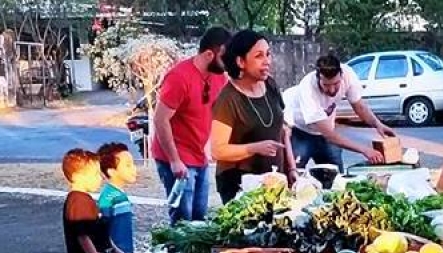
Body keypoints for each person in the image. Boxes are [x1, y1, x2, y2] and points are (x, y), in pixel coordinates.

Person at [151, 26, 230, 222]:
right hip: (175, 156)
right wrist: (174, 160)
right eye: (225, 58)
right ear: (209, 54)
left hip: (198, 154)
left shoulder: (220, 76)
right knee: (182, 221)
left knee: (199, 218)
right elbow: (160, 120)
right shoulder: (179, 77)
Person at [211, 30, 297, 203]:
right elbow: (217, 150)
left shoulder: (270, 84)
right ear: (240, 61)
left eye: (268, 54)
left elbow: (282, 130)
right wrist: (255, 148)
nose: (267, 62)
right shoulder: (228, 99)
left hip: (274, 180)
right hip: (239, 185)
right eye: (259, 56)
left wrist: (292, 169)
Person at [284, 54, 394, 170]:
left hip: (326, 130)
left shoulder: (348, 74)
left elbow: (359, 106)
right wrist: (364, 150)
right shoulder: (307, 89)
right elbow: (329, 136)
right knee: (295, 172)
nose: (331, 90)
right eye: (326, 85)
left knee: (336, 174)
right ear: (318, 77)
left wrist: (377, 124)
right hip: (300, 130)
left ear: (341, 75)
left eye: (336, 84)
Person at [97, 141, 138, 253]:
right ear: (112, 171)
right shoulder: (110, 197)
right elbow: (101, 229)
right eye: (128, 165)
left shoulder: (118, 195)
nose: (134, 169)